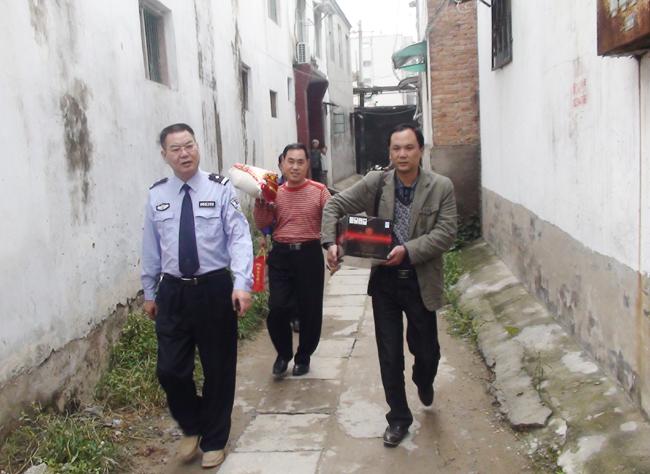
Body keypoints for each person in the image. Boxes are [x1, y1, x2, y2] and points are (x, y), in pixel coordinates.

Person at [321, 123, 457, 448]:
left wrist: (407, 250)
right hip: (384, 283)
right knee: (389, 353)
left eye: (409, 147)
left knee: (427, 352)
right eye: (396, 148)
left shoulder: (441, 187)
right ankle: (398, 418)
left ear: (420, 150)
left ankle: (424, 379)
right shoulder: (377, 182)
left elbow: (446, 233)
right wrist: (330, 243)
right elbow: (333, 205)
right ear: (389, 152)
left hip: (420, 281)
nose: (402, 154)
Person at [141, 123, 253, 468]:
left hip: (214, 288)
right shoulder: (157, 195)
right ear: (165, 155)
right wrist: (150, 291)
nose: (184, 153)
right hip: (173, 291)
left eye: (189, 145)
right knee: (170, 370)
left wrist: (242, 283)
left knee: (219, 368)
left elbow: (239, 237)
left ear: (197, 147)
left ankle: (215, 439)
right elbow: (150, 247)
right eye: (175, 149)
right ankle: (192, 425)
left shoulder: (220, 188)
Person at [253, 143, 331, 377]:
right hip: (281, 255)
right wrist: (260, 204)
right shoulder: (273, 192)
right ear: (282, 164)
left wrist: (333, 246)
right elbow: (262, 223)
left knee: (310, 309)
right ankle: (283, 353)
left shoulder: (320, 191)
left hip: (309, 255)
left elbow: (332, 218)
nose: (295, 167)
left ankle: (303, 356)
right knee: (277, 307)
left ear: (307, 165)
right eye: (291, 162)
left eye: (300, 162)